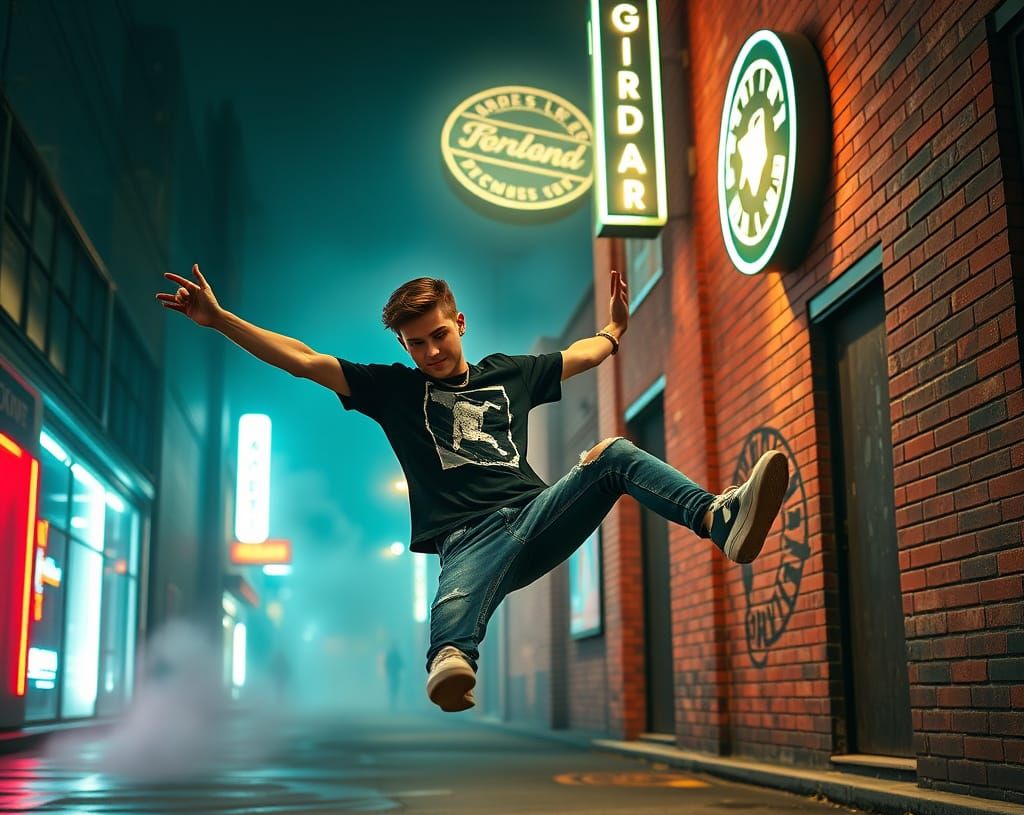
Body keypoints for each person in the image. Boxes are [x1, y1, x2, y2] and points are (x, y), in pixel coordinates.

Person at [156, 265, 789, 714]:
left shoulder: (511, 373)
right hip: (469, 541)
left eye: (440, 335)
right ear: (402, 345)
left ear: (459, 322)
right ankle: (451, 658)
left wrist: (615, 331)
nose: (431, 351)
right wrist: (219, 320)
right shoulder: (394, 390)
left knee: (614, 454)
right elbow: (303, 359)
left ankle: (718, 517)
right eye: (416, 344)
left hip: (537, 516)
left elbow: (582, 355)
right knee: (452, 653)